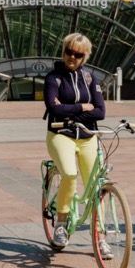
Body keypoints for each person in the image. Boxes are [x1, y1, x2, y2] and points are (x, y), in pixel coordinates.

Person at [44, 32, 107, 250]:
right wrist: (81, 107)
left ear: (85, 56)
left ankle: (100, 236)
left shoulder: (90, 79)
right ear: (63, 51)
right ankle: (60, 224)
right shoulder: (54, 78)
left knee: (96, 186)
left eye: (78, 54)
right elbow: (53, 109)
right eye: (69, 52)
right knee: (70, 174)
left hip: (88, 136)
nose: (73, 57)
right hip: (61, 135)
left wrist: (70, 113)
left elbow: (100, 112)